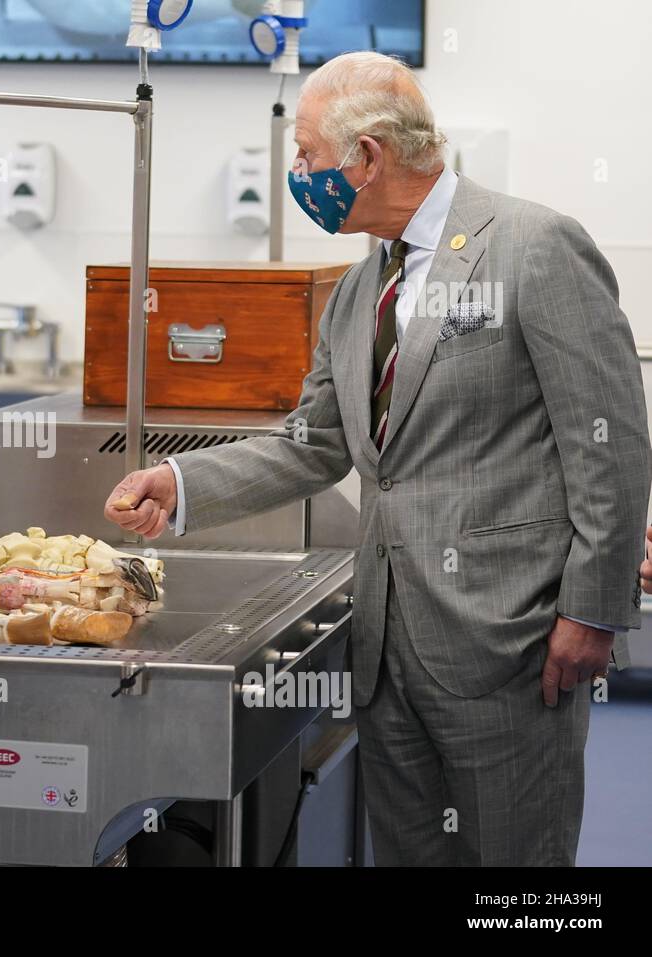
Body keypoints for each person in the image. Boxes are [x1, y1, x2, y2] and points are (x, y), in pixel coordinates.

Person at [105, 52, 650, 866]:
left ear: (368, 157)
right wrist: (180, 483)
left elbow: (609, 440)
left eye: (309, 156)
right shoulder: (362, 292)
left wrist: (594, 610)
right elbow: (316, 443)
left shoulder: (533, 247)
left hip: (510, 647)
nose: (297, 173)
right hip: (388, 655)